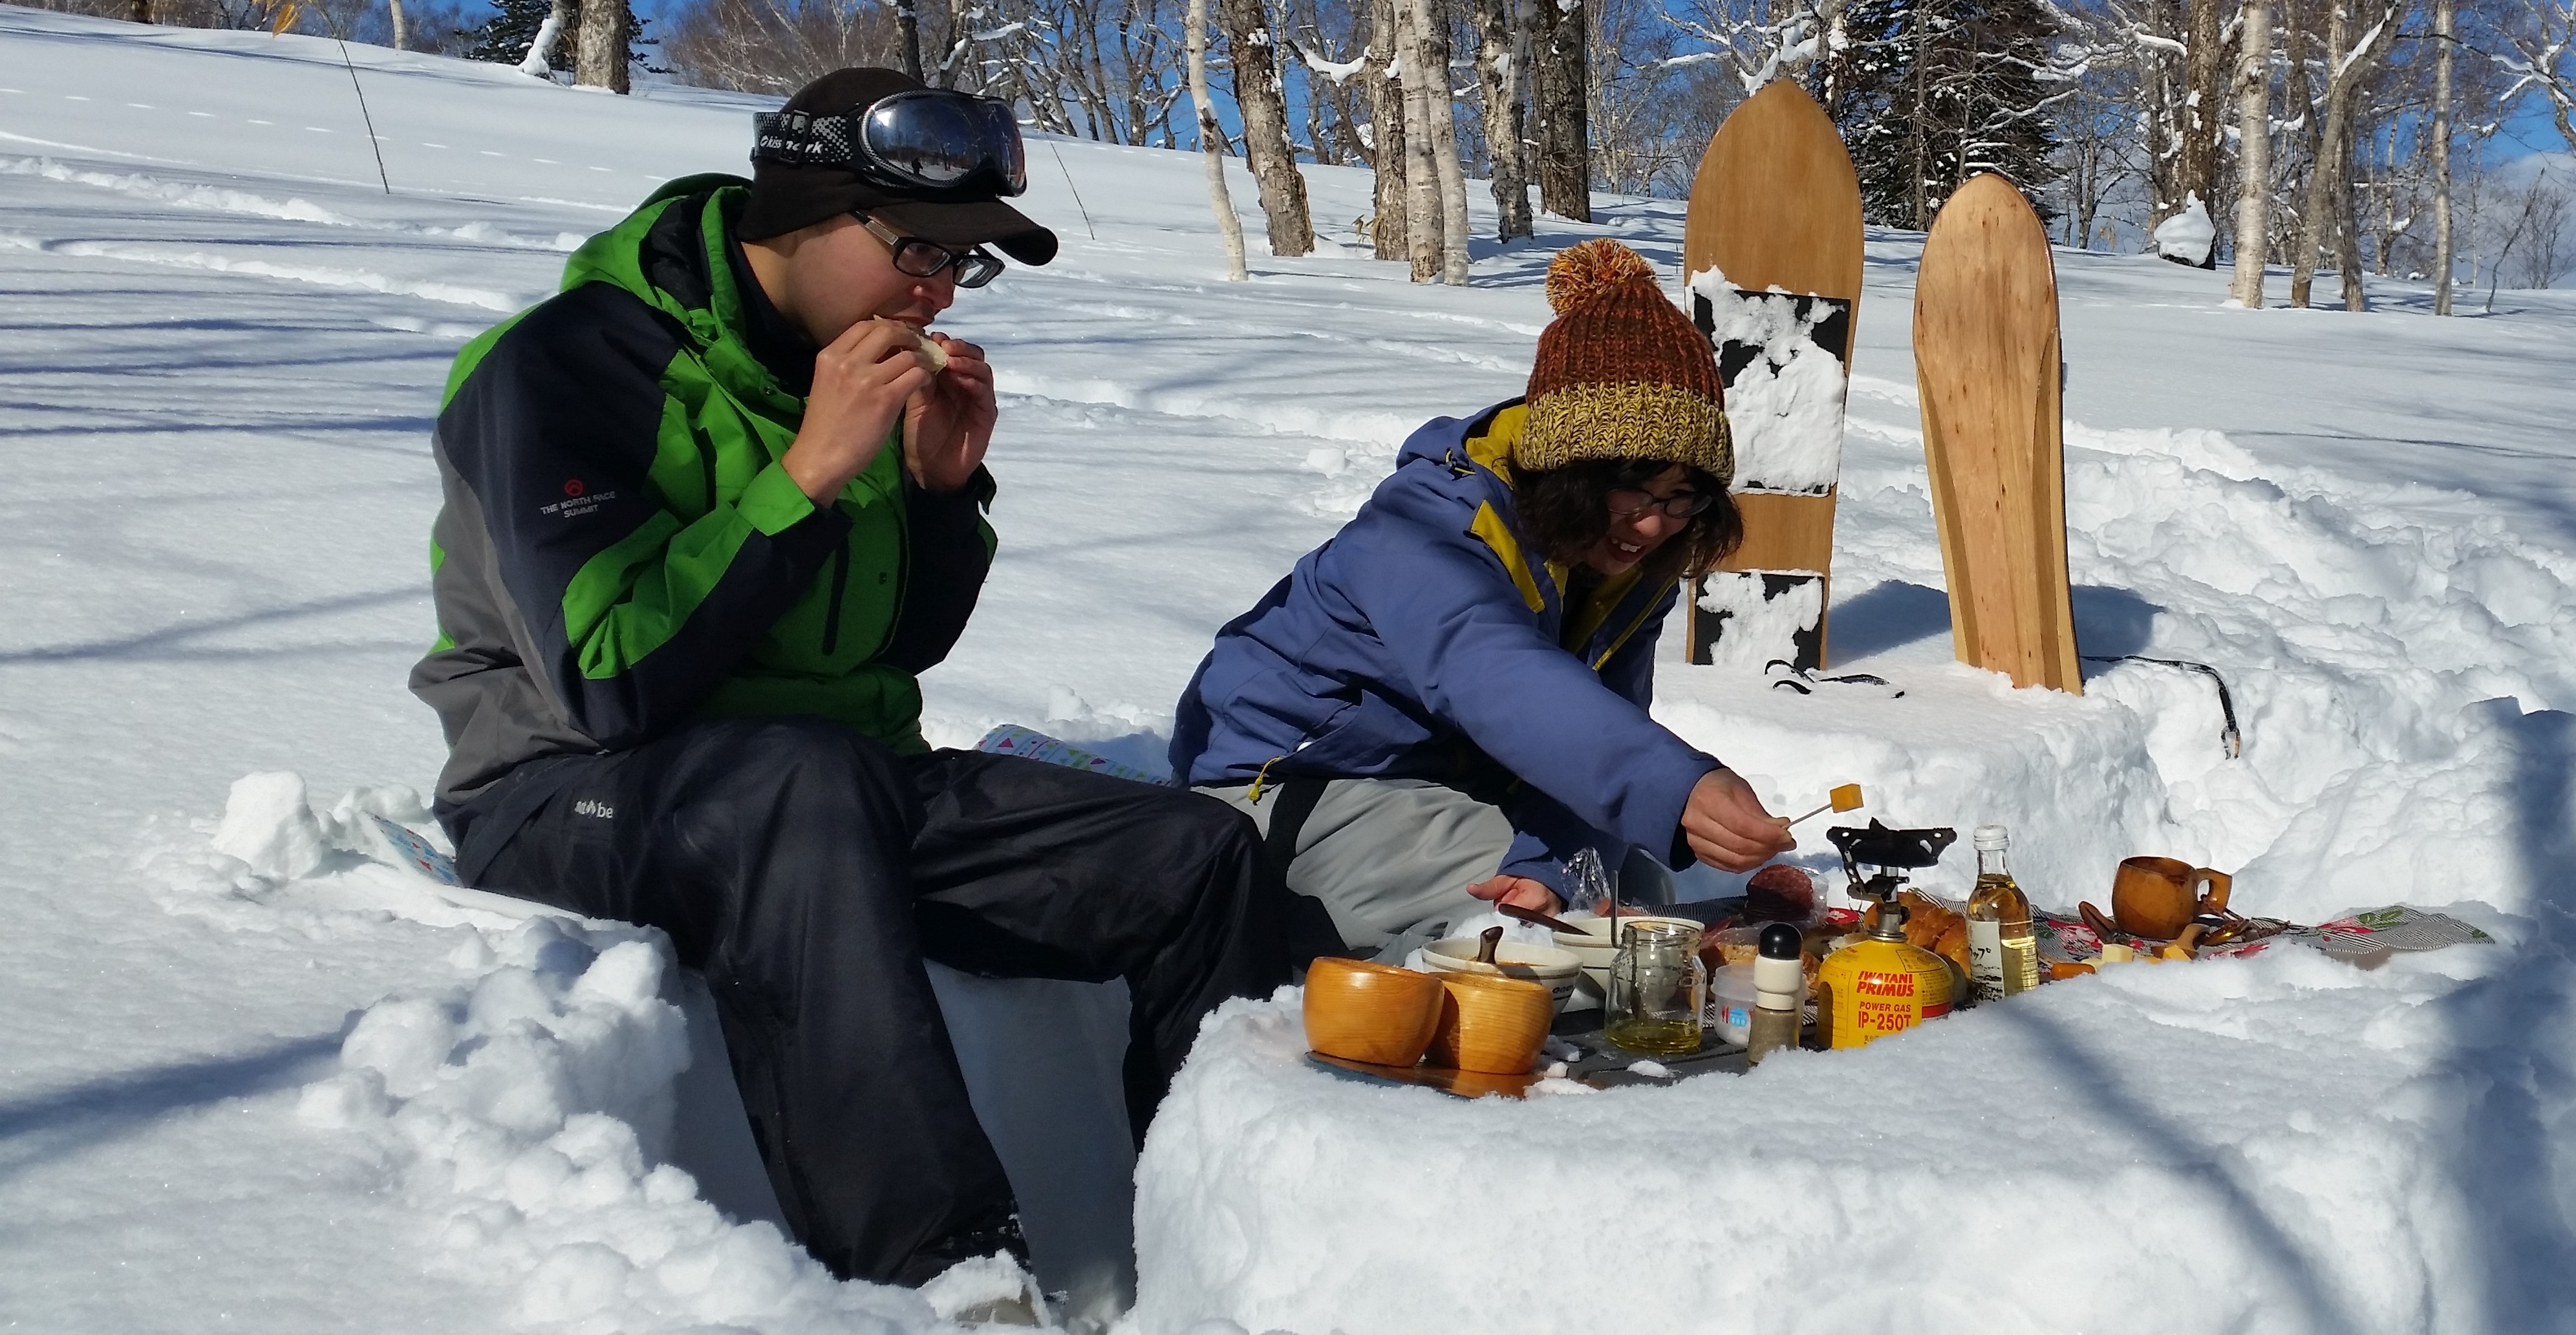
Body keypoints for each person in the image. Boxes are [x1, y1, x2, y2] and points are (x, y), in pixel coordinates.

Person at [409, 68, 1282, 1292]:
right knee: (800, 783)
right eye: (915, 247)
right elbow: (607, 682)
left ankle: (1236, 1252)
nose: (938, 288)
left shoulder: (854, 366)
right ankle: (948, 1285)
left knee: (1197, 858)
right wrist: (806, 477)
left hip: (831, 790)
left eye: (962, 261)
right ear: (798, 213)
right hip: (565, 794)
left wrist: (938, 495)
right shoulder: (561, 367)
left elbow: (894, 650)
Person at [1168, 238, 1795, 959]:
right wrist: (1675, 785)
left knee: (1621, 897)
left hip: (1439, 788)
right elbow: (1496, 676)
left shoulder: (1627, 561)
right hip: (1277, 785)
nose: (1653, 525)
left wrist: (1548, 869)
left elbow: (1592, 730)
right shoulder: (1425, 527)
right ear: (1568, 471)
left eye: (1682, 496)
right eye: (1632, 489)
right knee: (1558, 933)